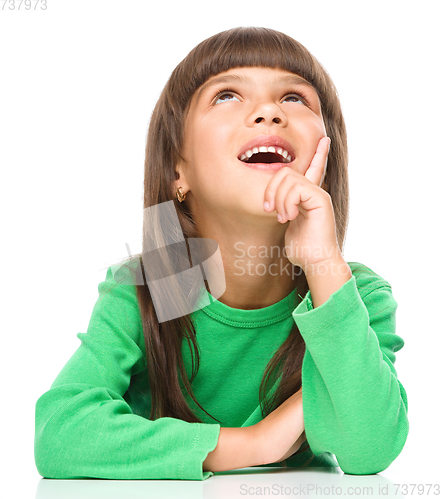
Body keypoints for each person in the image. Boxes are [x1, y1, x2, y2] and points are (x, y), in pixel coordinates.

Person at [34, 26, 409, 481]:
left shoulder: (353, 295)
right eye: (227, 95)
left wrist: (323, 264)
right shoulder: (154, 287)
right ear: (178, 171)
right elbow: (59, 433)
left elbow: (369, 449)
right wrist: (256, 442)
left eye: (294, 98)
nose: (269, 111)